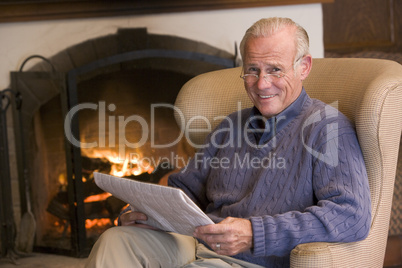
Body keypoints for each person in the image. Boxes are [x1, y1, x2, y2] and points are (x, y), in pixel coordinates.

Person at [86, 17, 371, 267]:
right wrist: (139, 213)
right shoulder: (230, 126)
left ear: (304, 67)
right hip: (198, 243)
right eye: (252, 70)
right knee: (117, 240)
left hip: (255, 260)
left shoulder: (328, 128)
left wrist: (254, 233)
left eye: (275, 69)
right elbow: (184, 191)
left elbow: (351, 215)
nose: (261, 84)